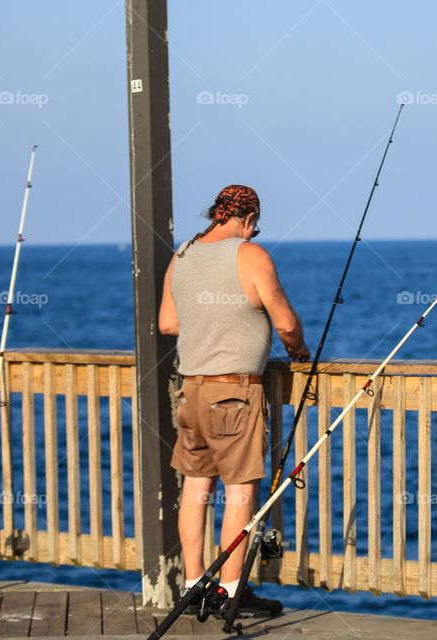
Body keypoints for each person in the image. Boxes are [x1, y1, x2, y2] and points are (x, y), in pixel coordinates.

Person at [158, 184, 311, 618]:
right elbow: (284, 322)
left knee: (196, 488)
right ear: (246, 219)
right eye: (255, 226)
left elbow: (168, 323)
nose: (254, 233)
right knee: (240, 493)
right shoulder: (250, 256)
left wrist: (207, 318)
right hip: (235, 393)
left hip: (191, 390)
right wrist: (298, 349)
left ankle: (192, 586)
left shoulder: (183, 254)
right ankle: (228, 592)